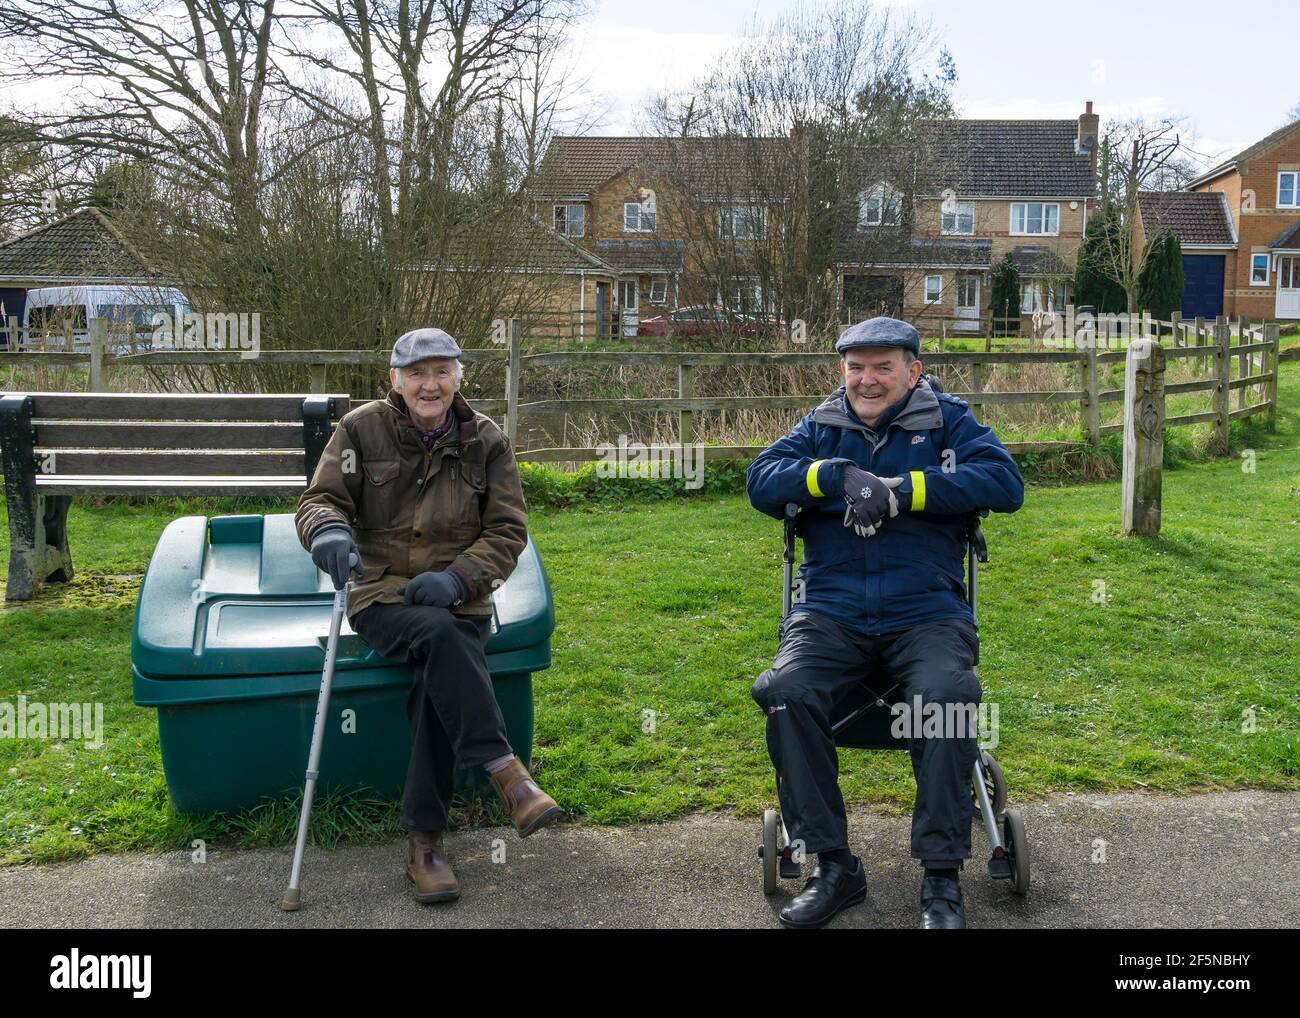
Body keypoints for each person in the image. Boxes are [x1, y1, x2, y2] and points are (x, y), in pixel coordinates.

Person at [745, 316, 1024, 929]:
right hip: (830, 610)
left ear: (913, 370)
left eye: (882, 367)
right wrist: (837, 476)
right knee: (787, 692)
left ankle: (942, 878)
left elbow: (1004, 483)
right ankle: (835, 866)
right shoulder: (820, 426)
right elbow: (760, 482)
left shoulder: (948, 422)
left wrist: (903, 491)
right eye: (855, 367)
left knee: (948, 697)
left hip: (926, 609)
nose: (866, 380)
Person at [295, 327, 563, 904]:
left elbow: (508, 530)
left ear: (458, 378)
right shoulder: (358, 430)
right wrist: (328, 532)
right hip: (382, 597)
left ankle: (425, 845)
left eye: (442, 371)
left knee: (434, 680)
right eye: (417, 373)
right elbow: (319, 500)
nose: (430, 384)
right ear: (395, 381)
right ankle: (506, 773)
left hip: (459, 598)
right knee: (443, 640)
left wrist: (461, 577)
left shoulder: (486, 440)